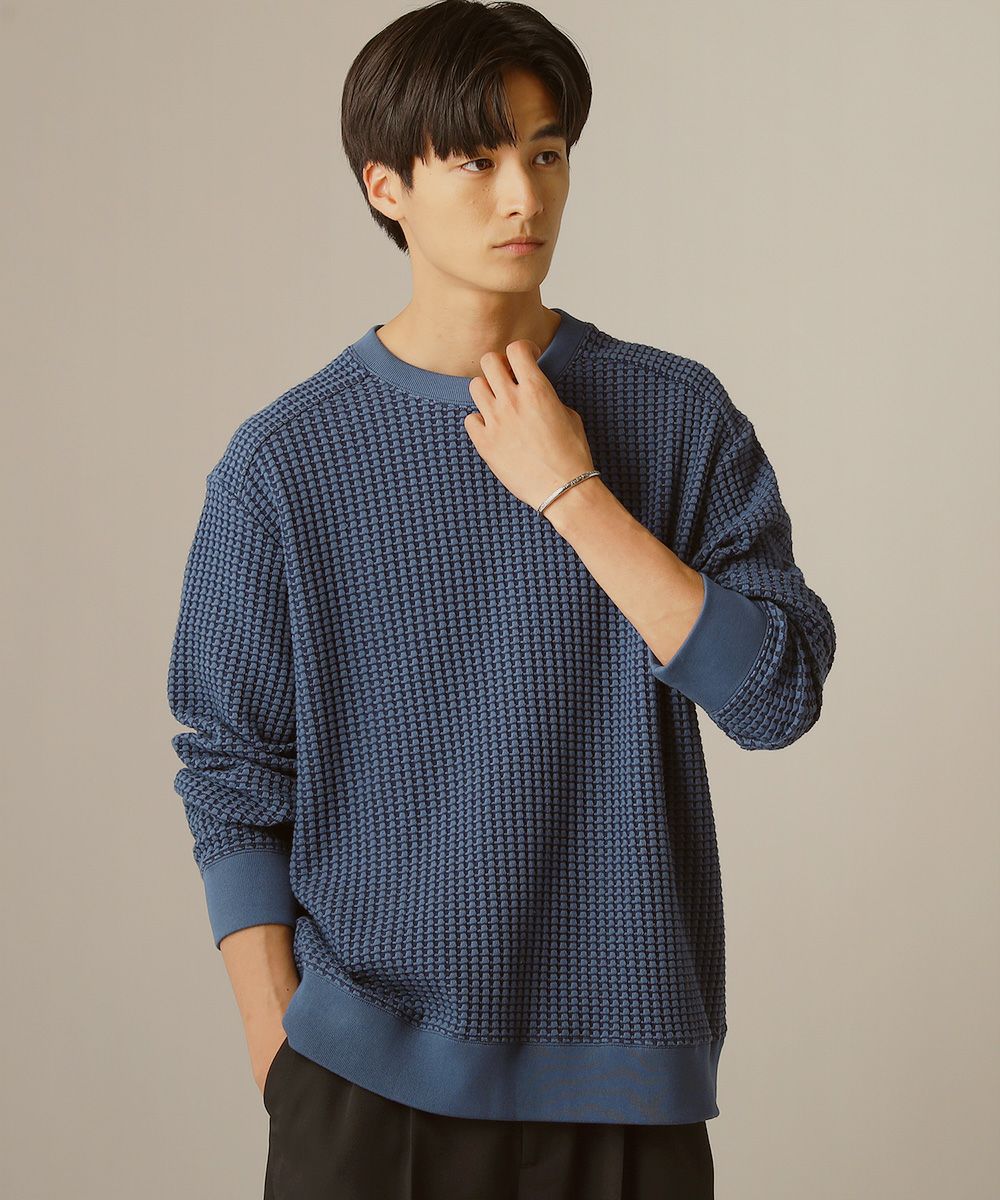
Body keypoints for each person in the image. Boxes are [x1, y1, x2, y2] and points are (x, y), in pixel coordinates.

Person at [166, 2, 837, 1196]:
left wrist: (574, 492)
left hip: (625, 1091)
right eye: (476, 161)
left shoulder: (674, 416)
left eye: (546, 152)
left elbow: (775, 696)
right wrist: (281, 1056)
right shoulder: (284, 464)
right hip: (364, 1091)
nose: (524, 196)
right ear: (385, 186)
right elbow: (232, 769)